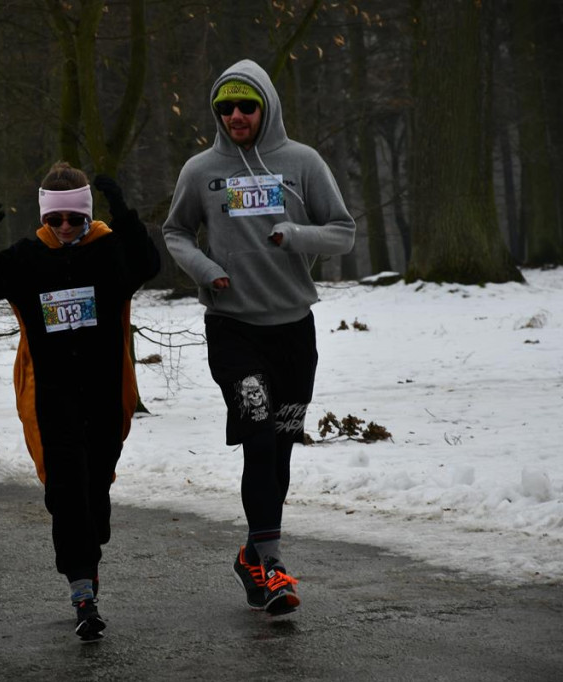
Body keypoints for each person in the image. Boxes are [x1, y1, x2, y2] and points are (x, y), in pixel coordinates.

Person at [162, 59, 355, 616]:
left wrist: (295, 235)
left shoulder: (302, 162)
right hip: (232, 327)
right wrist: (204, 270)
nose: (236, 116)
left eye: (246, 106)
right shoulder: (201, 170)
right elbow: (176, 231)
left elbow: (342, 232)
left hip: (292, 326)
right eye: (226, 108)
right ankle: (272, 565)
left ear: (265, 106)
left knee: (282, 443)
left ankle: (252, 553)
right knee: (258, 435)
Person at [0, 162, 160, 641]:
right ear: (44, 219)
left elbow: (148, 264)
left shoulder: (109, 249)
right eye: (56, 220)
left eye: (76, 219)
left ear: (89, 216)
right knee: (67, 491)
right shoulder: (29, 257)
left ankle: (88, 554)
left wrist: (125, 213)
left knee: (95, 491)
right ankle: (82, 590)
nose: (66, 228)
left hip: (107, 392)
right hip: (52, 395)